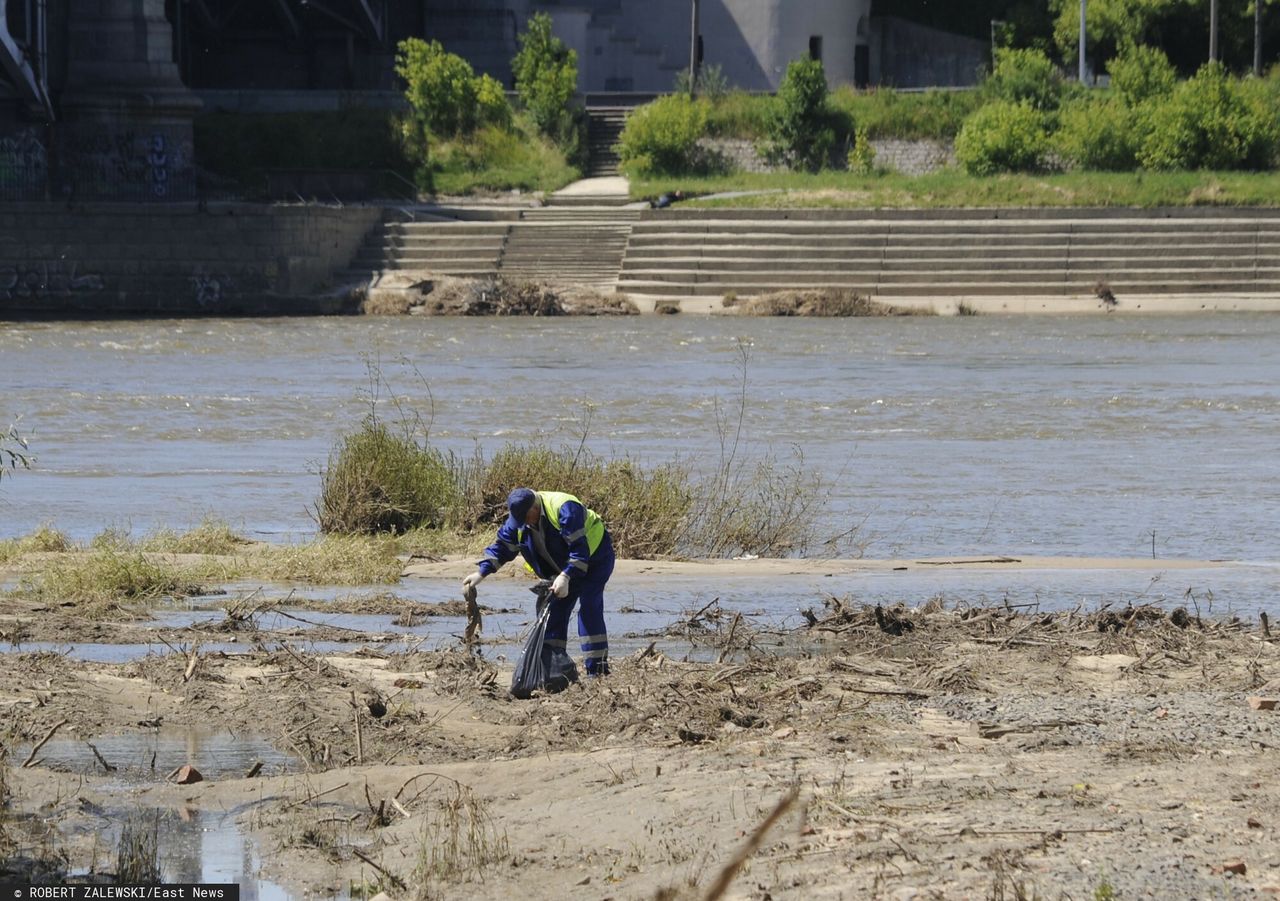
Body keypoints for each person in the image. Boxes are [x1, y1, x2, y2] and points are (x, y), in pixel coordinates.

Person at [462, 488, 615, 676]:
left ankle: (597, 671)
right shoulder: (520, 520)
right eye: (520, 520)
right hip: (561, 568)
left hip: (595, 560)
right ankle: (555, 671)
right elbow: (503, 548)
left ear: (535, 507)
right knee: (553, 612)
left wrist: (566, 576)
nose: (525, 523)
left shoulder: (565, 509)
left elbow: (579, 552)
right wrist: (481, 572)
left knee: (589, 608)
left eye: (527, 517)